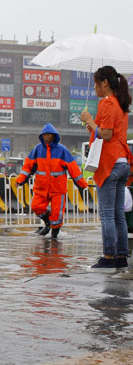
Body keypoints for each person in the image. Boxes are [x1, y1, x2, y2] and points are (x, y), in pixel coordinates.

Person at [80, 65, 132, 272]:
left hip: (110, 164)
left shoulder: (107, 103)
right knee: (118, 214)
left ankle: (108, 255)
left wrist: (90, 121)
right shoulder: (120, 104)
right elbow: (106, 131)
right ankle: (121, 256)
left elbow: (107, 134)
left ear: (104, 83)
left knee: (108, 214)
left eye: (96, 83)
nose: (94, 88)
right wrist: (94, 126)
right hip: (122, 163)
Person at [15, 123, 88, 239]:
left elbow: (73, 169)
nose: (46, 137)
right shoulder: (37, 149)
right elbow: (27, 166)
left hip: (57, 189)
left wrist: (82, 184)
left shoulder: (62, 150)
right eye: (44, 135)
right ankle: (48, 223)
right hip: (41, 188)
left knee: (57, 215)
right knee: (36, 206)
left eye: (48, 135)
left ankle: (54, 238)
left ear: (54, 136)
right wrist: (20, 179)